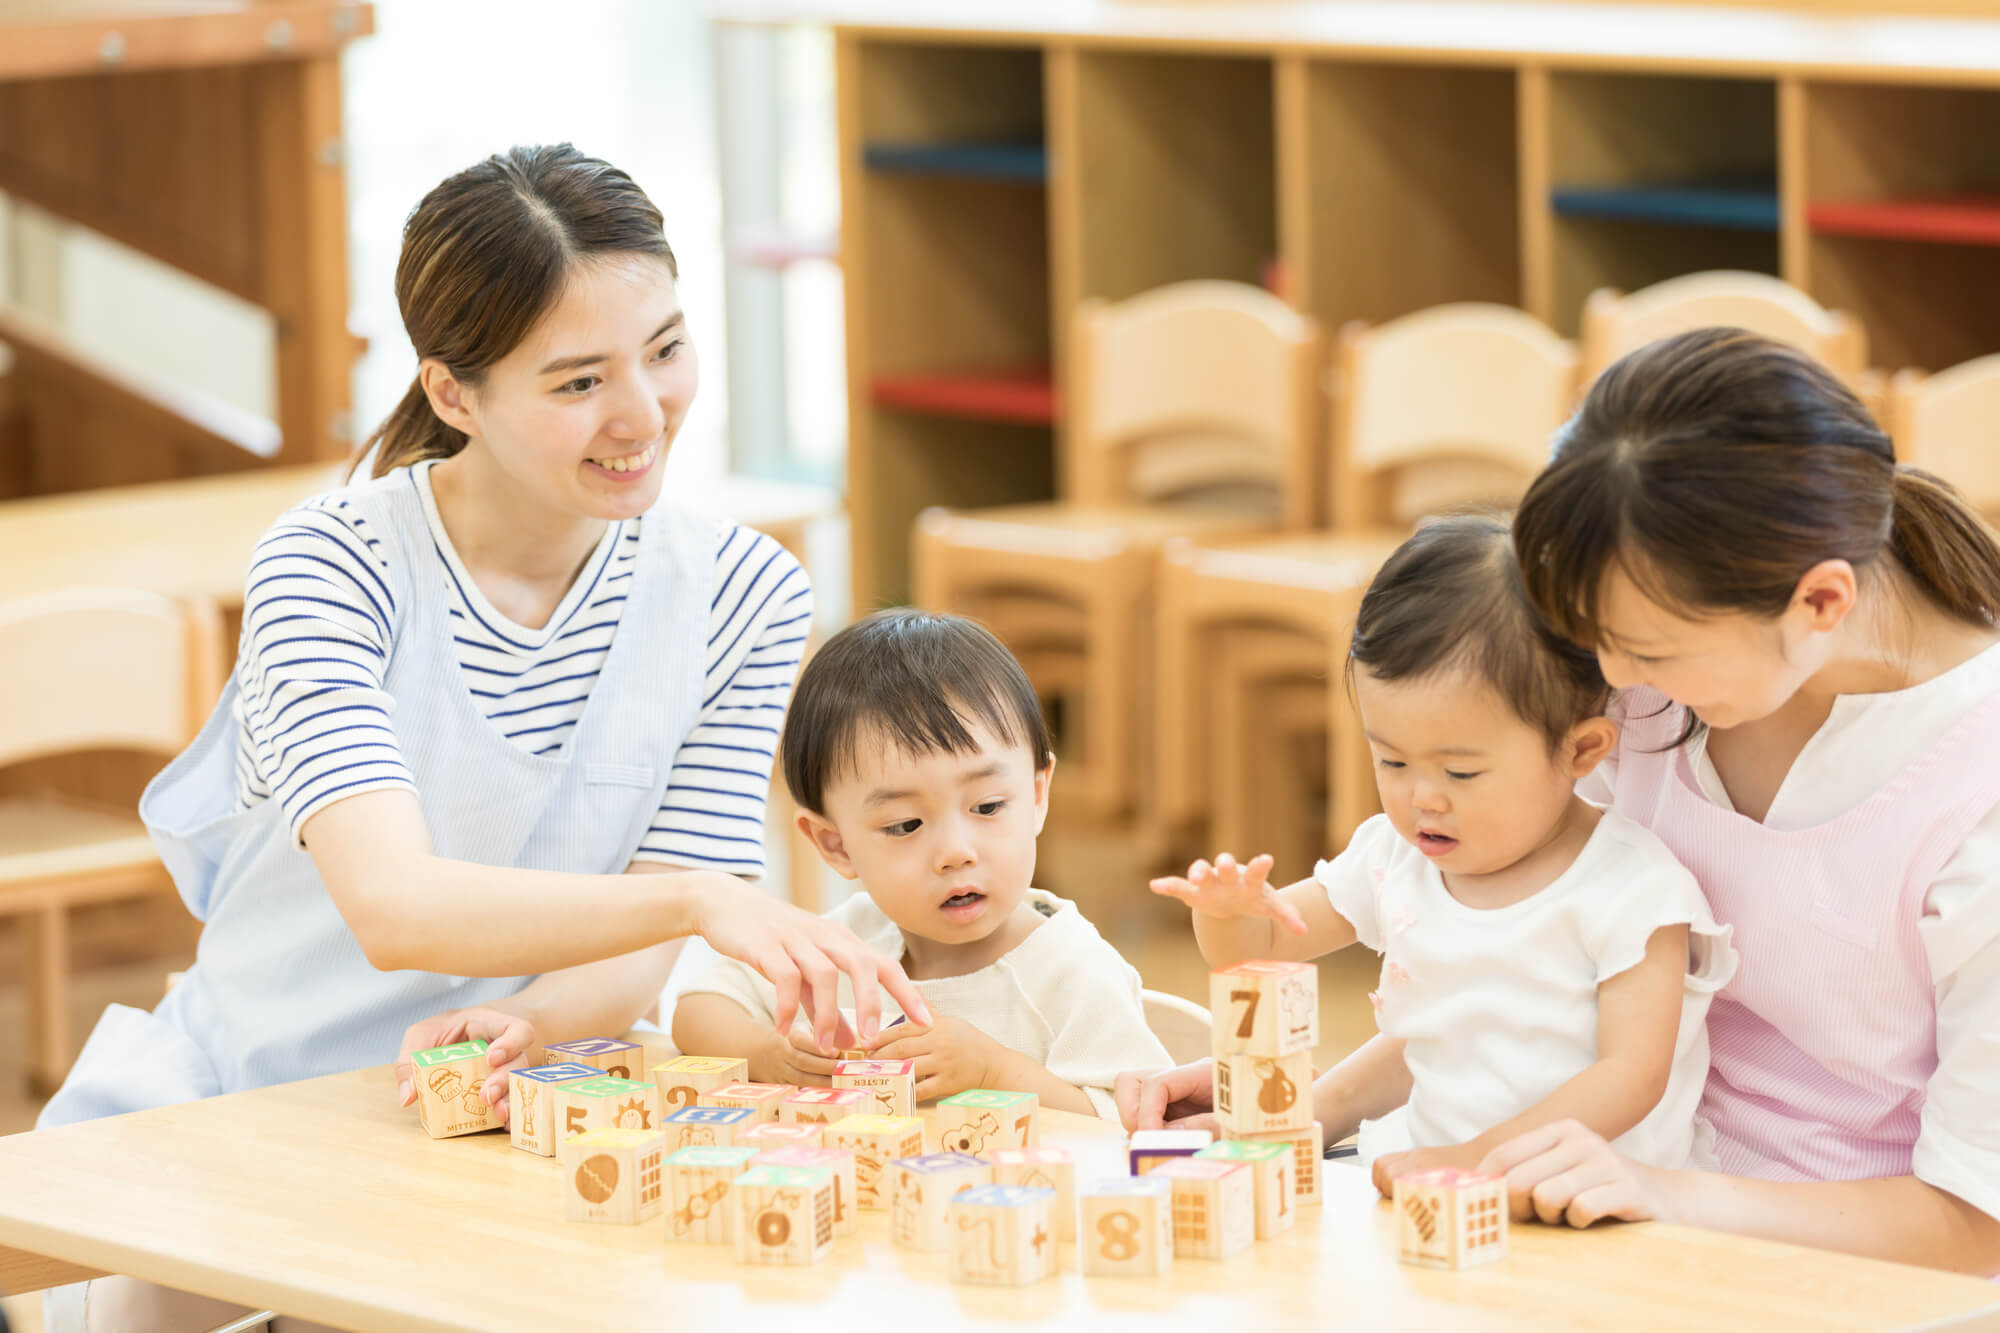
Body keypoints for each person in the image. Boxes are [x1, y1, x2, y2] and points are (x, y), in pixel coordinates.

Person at [39, 145, 926, 1331]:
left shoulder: (742, 591)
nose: (640, 414)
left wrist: (547, 1021)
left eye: (664, 350)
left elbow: (638, 949)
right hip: (250, 1110)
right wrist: (700, 903)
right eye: (576, 383)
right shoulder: (333, 566)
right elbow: (396, 908)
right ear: (455, 395)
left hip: (526, 1118)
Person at [1125, 330, 2000, 1276]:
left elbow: (1974, 1224)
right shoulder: (1646, 671)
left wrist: (1661, 1191)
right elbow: (1500, 988)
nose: (1613, 686)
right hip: (1576, 1198)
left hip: (1824, 1262)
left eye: (1647, 653)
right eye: (1594, 639)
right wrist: (1303, 1107)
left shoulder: (1971, 785)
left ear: (1820, 603)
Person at [1151, 515, 1732, 1176]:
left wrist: (1476, 1161)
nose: (1422, 797)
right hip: (1430, 1185)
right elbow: (1264, 950)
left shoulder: (1633, 889)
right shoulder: (1395, 855)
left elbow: (1631, 1077)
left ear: (1581, 749)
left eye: (1460, 772)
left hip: (1592, 1203)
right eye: (1392, 761)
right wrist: (1229, 915)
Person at [674, 610, 1171, 1116]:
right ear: (834, 845)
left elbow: (1136, 1118)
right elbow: (698, 1008)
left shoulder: (1071, 970)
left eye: (988, 807)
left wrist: (993, 1072)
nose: (957, 851)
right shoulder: (847, 946)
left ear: (1037, 796)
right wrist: (768, 1056)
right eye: (906, 825)